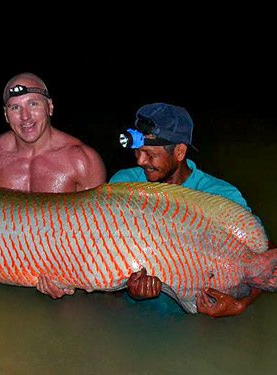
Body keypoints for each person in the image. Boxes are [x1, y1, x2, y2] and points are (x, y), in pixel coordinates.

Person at [110, 102, 263, 318]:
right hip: (133, 314)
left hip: (196, 315)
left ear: (180, 152)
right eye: (137, 152)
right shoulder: (123, 185)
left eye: (150, 154)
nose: (141, 160)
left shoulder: (218, 194)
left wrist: (241, 304)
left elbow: (265, 256)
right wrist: (129, 287)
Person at [0, 72, 107, 295]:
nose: (25, 116)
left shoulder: (83, 161)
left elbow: (97, 237)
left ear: (50, 107)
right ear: (5, 115)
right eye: (15, 108)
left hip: (65, 280)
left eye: (33, 104)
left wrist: (69, 276)